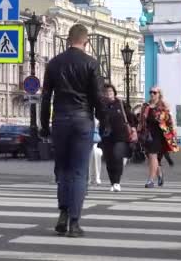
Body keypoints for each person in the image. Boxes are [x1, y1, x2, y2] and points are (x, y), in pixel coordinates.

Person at [40, 23, 104, 238]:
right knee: (78, 172)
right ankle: (74, 223)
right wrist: (104, 121)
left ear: (68, 39)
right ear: (85, 41)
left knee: (63, 170)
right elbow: (98, 98)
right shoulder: (91, 64)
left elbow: (46, 97)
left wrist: (43, 125)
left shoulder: (54, 64)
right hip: (82, 120)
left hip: (60, 120)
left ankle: (63, 214)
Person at [137, 86, 178, 188]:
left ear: (159, 94)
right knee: (150, 157)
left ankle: (150, 180)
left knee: (153, 155)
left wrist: (173, 134)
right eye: (151, 92)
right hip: (147, 134)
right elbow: (141, 121)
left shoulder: (163, 106)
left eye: (154, 92)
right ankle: (159, 174)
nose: (152, 94)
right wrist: (138, 131)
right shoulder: (145, 106)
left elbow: (170, 121)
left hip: (159, 134)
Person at [99, 84, 135, 192]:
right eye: (106, 92)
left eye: (110, 91)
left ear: (114, 92)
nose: (108, 93)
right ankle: (112, 182)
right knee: (109, 160)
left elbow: (130, 116)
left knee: (117, 156)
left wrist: (133, 128)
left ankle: (117, 182)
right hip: (106, 136)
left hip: (121, 136)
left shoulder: (120, 103)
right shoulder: (101, 105)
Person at [88, 119, 103, 186]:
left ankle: (94, 178)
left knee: (94, 157)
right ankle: (93, 178)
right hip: (89, 139)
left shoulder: (96, 119)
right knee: (92, 159)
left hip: (94, 141)